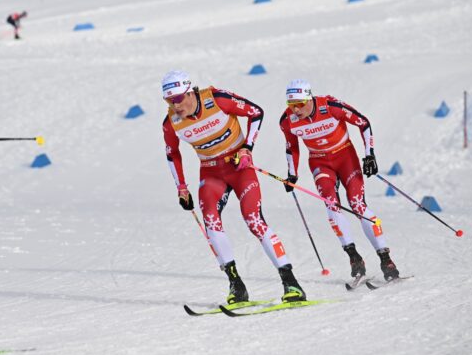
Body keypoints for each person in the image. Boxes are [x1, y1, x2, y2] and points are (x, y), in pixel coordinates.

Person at [161, 70, 306, 304]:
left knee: (253, 219)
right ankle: (235, 285)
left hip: (238, 167)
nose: (174, 106)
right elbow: (172, 153)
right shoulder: (171, 122)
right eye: (168, 100)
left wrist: (247, 147)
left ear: (189, 92)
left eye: (177, 99)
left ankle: (291, 282)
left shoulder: (217, 99)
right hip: (210, 170)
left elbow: (256, 113)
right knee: (210, 220)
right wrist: (181, 187)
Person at [279, 79, 400, 281]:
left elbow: (363, 123)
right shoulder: (287, 120)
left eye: (299, 103)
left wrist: (369, 155)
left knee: (357, 204)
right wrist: (292, 173)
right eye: (291, 104)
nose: (295, 109)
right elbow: (292, 146)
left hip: (345, 157)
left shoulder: (331, 106)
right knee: (331, 204)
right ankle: (354, 258)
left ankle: (385, 258)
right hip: (319, 162)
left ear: (310, 98)